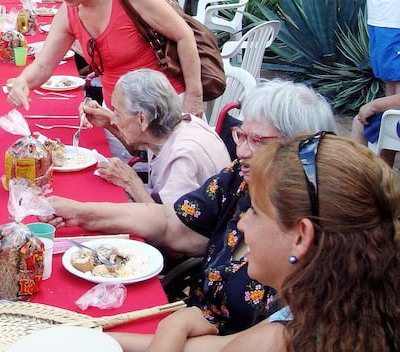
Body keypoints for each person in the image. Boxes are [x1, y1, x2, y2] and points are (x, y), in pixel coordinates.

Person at [43, 80, 336, 335]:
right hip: (188, 319)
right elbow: (175, 221)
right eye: (241, 135)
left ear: (299, 149)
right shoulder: (241, 177)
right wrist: (82, 213)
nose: (243, 150)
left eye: (258, 141)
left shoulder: (305, 241)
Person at [117, 134, 400, 351]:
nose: (241, 223)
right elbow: (219, 347)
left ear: (301, 237)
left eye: (254, 210)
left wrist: (172, 326)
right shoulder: (333, 312)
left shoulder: (286, 338)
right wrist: (93, 336)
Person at [7, 0, 204, 117]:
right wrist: (22, 81)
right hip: (119, 115)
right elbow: (43, 66)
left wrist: (194, 96)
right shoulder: (68, 12)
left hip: (166, 111)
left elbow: (184, 35)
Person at [81, 68, 230, 205]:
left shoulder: (183, 157)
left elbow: (173, 228)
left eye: (118, 113)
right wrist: (107, 122)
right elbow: (136, 146)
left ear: (142, 119)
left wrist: (131, 182)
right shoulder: (175, 125)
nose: (114, 119)